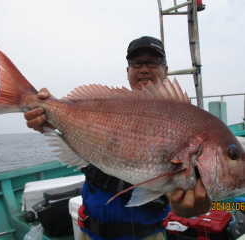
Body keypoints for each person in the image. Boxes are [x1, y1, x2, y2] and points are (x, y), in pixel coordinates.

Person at [24, 36, 211, 240]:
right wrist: (49, 119)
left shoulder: (184, 121)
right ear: (128, 71)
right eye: (136, 62)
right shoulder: (107, 106)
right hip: (88, 233)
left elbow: (173, 195)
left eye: (153, 62)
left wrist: (186, 208)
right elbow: (76, 136)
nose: (144, 68)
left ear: (165, 70)